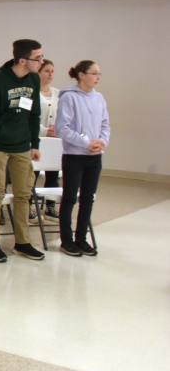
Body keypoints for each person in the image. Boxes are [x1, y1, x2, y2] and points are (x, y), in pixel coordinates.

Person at [0, 39, 45, 262]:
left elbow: (34, 114)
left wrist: (35, 144)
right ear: (23, 60)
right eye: (38, 58)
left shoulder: (34, 78)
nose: (41, 62)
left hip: (22, 146)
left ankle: (22, 241)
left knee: (24, 194)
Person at [54, 61, 109, 257]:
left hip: (94, 157)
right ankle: (66, 241)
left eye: (99, 73)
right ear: (81, 75)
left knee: (88, 199)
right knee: (69, 198)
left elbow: (105, 125)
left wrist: (102, 142)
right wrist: (86, 143)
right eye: (94, 73)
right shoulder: (69, 97)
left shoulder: (99, 98)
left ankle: (81, 239)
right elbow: (62, 128)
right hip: (74, 156)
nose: (98, 77)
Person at [35, 59, 60, 220]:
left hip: (55, 141)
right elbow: (30, 118)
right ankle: (28, 205)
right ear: (39, 73)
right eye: (47, 71)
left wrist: (58, 130)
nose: (50, 74)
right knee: (33, 173)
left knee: (53, 174)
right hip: (38, 139)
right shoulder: (32, 93)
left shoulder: (58, 93)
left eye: (52, 71)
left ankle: (50, 206)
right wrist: (44, 131)